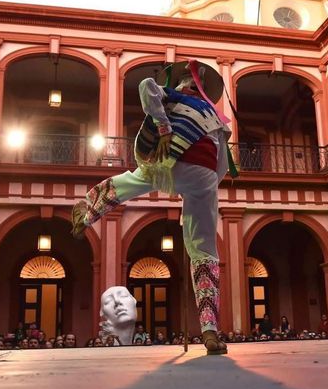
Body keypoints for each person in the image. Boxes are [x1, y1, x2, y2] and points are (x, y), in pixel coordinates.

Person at [72, 60, 234, 355]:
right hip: (205, 176)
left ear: (185, 84)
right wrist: (201, 194)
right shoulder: (218, 120)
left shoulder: (175, 95)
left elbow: (147, 87)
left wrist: (164, 128)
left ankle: (88, 211)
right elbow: (222, 165)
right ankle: (210, 330)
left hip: (171, 162)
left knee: (134, 180)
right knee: (205, 251)